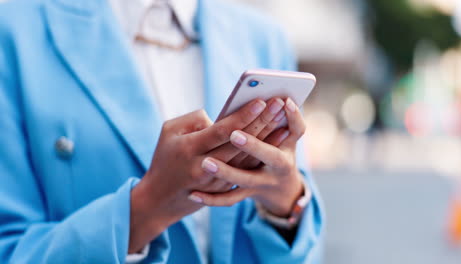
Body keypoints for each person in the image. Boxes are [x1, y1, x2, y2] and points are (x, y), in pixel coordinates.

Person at [0, 0, 324, 263]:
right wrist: (146, 207)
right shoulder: (14, 30)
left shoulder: (263, 39)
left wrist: (285, 203)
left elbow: (307, 250)